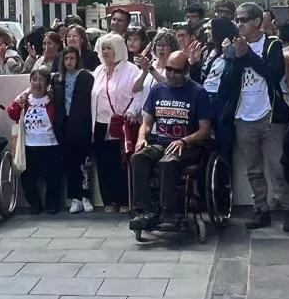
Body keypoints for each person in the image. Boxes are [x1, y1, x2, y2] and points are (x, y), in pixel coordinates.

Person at [220, 2, 289, 231]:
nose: (239, 24)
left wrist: (248, 55)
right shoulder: (234, 47)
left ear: (257, 22)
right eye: (237, 20)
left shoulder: (272, 43)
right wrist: (234, 56)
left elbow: (274, 74)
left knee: (279, 167)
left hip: (270, 116)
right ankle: (260, 209)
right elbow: (227, 83)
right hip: (244, 117)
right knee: (253, 169)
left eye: (244, 20)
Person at [128, 52, 214, 232]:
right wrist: (141, 138)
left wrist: (184, 140)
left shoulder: (198, 92)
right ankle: (146, 210)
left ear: (186, 70)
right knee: (138, 158)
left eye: (176, 71)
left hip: (188, 145)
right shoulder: (158, 90)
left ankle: (169, 211)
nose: (171, 74)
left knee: (167, 161)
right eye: (168, 69)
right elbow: (146, 123)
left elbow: (205, 130)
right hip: (161, 142)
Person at [91, 32, 142, 212]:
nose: (105, 52)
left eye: (109, 48)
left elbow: (138, 96)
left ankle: (124, 200)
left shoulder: (131, 70)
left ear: (118, 49)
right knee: (104, 163)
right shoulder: (98, 71)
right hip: (100, 124)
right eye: (103, 48)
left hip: (122, 123)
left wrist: (131, 111)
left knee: (120, 163)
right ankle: (110, 200)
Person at [8, 67, 64, 214]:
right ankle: (34, 203)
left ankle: (52, 204)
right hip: (29, 146)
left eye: (41, 80)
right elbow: (12, 114)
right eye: (34, 79)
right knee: (28, 179)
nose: (37, 83)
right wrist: (19, 101)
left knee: (53, 178)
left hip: (51, 145)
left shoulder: (53, 100)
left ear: (47, 83)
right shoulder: (24, 99)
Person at [54, 45, 95, 213]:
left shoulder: (86, 76)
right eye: (66, 59)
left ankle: (86, 196)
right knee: (70, 163)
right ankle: (75, 198)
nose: (69, 62)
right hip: (64, 126)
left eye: (72, 58)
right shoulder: (57, 79)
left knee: (84, 163)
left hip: (82, 125)